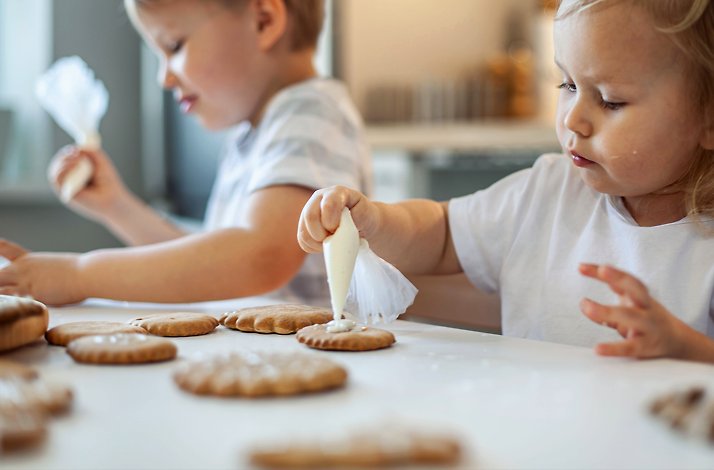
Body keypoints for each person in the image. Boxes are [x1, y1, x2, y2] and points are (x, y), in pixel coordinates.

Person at [298, 0, 714, 363]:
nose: (572, 118)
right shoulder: (544, 193)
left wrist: (687, 350)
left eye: (610, 100)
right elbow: (440, 234)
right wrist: (374, 221)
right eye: (567, 84)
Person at [0, 0, 371, 306]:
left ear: (263, 20)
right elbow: (209, 261)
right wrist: (117, 206)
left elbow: (257, 258)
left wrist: (80, 275)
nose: (164, 78)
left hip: (309, 371)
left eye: (174, 46)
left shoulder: (310, 112)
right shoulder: (256, 133)